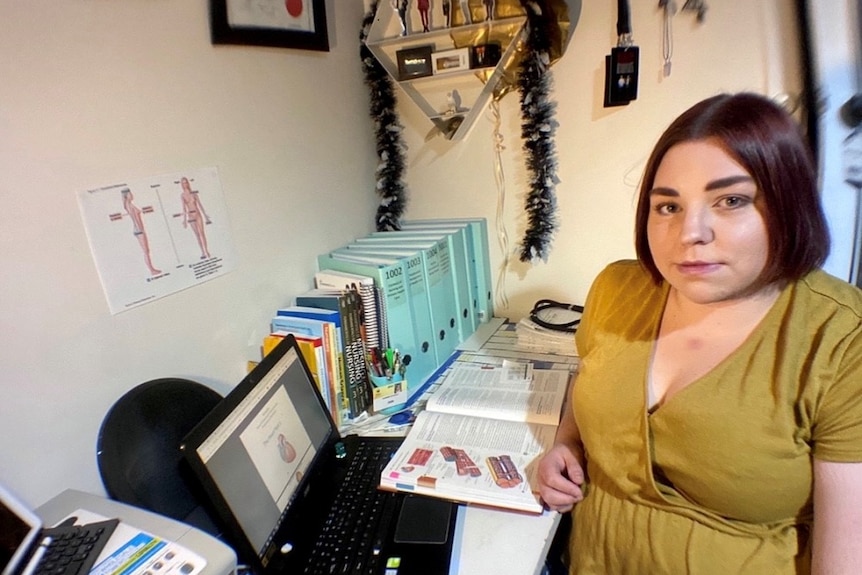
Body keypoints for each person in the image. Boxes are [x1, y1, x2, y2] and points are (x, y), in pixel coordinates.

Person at [537, 92, 862, 573]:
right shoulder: (615, 288)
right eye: (668, 207)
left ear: (786, 204)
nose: (692, 232)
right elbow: (589, 381)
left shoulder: (841, 338)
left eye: (730, 200)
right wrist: (565, 444)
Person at [121, 188, 161, 276]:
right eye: (130, 193)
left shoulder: (129, 204)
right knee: (146, 251)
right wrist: (140, 229)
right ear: (127, 195)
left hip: (138, 230)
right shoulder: (129, 205)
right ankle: (151, 270)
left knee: (146, 251)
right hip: (139, 230)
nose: (131, 194)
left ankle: (152, 269)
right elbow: (134, 218)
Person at [180, 176, 212, 260]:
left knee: (202, 233)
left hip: (198, 214)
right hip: (191, 216)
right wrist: (184, 220)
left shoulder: (194, 194)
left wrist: (206, 216)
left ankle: (207, 251)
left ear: (188, 183)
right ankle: (202, 252)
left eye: (186, 182)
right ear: (181, 185)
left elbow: (200, 205)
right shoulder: (182, 195)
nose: (185, 184)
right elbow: (184, 208)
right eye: (183, 183)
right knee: (197, 235)